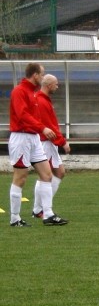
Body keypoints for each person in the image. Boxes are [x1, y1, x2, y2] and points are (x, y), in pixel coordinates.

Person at [8, 63, 67, 226]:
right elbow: (22, 115)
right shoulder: (19, 91)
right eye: (42, 74)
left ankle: (47, 214)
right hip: (21, 138)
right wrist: (43, 128)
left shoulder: (32, 93)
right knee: (20, 178)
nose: (43, 77)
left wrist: (41, 129)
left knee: (47, 174)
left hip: (33, 138)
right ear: (35, 75)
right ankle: (15, 218)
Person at [31, 74, 69, 219]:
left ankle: (39, 209)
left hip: (47, 142)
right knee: (48, 174)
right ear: (48, 85)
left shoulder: (42, 99)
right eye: (56, 84)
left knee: (57, 173)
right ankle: (41, 209)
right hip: (45, 142)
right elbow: (49, 125)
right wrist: (63, 142)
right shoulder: (41, 101)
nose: (57, 87)